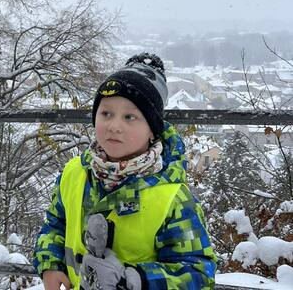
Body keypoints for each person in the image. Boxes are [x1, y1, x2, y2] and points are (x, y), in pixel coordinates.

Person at [33, 53, 217, 289]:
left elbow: (198, 273)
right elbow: (56, 224)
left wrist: (135, 280)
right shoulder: (75, 173)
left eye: (130, 116)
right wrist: (51, 264)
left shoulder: (172, 199)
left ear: (152, 130)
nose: (114, 126)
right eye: (106, 113)